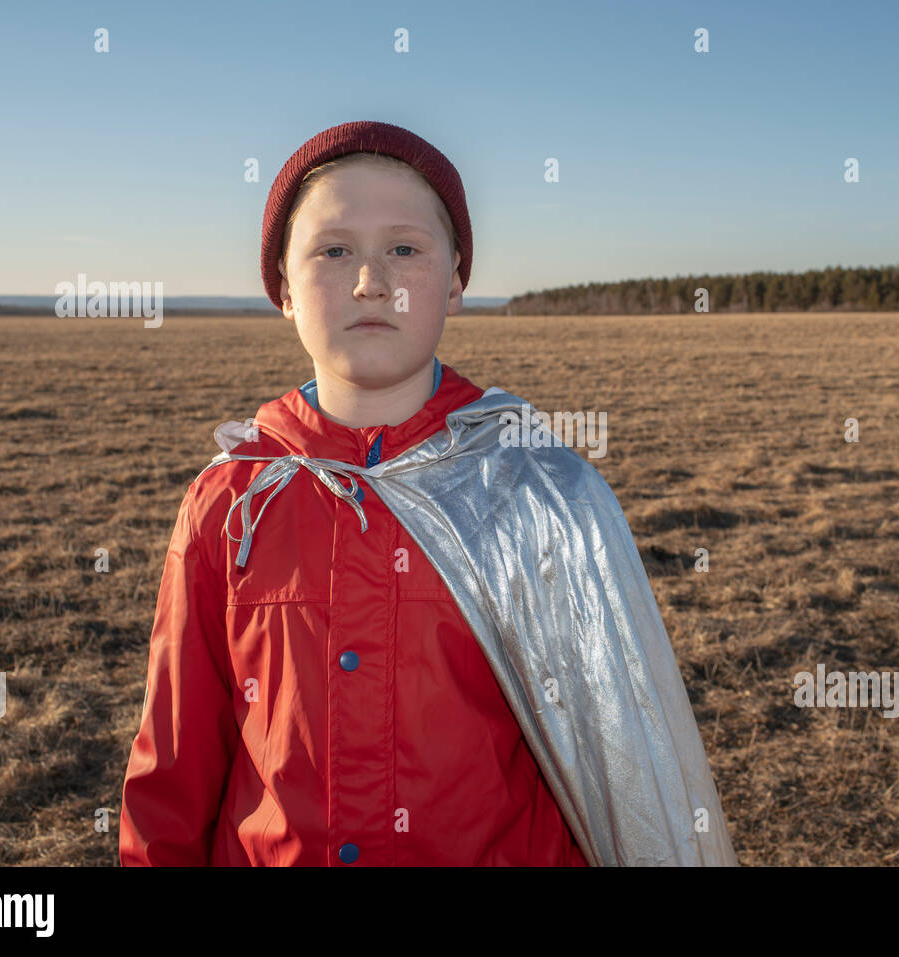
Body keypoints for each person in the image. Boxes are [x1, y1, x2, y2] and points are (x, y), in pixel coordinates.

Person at [118, 120, 737, 866]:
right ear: (282, 287)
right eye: (333, 249)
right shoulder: (232, 504)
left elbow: (625, 761)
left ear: (456, 284)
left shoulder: (537, 492)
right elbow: (175, 769)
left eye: (404, 249)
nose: (369, 280)